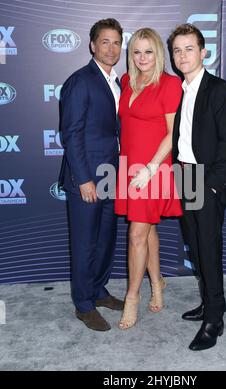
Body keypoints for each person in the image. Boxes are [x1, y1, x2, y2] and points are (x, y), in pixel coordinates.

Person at [168, 24, 226, 350]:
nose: (183, 55)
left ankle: (215, 319)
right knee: (196, 248)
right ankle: (208, 302)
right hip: (184, 175)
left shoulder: (219, 90)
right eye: (177, 50)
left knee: (209, 250)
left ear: (203, 52)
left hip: (204, 180)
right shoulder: (179, 89)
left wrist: (210, 186)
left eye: (189, 48)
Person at [59, 19, 124, 331]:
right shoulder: (80, 81)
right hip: (86, 177)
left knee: (105, 240)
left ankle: (98, 291)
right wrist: (84, 179)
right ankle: (83, 304)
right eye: (105, 42)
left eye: (116, 42)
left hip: (111, 175)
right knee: (85, 243)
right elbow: (71, 134)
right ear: (92, 45)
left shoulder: (118, 82)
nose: (111, 48)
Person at [115, 28, 182, 330]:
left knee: (136, 235)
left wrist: (151, 168)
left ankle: (132, 297)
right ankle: (157, 282)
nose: (142, 58)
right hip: (129, 167)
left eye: (149, 51)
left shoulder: (170, 84)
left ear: (159, 53)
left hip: (152, 170)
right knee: (147, 229)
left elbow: (173, 134)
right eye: (137, 52)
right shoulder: (128, 81)